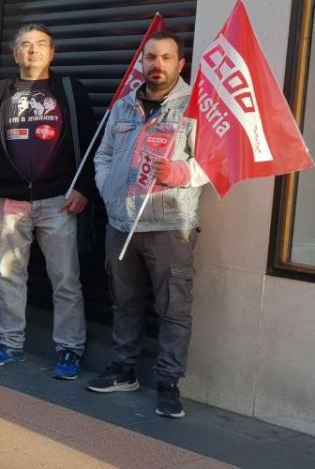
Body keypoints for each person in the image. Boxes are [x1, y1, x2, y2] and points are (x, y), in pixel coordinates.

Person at [88, 31, 206, 419]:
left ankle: (169, 382)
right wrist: (107, 189)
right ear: (142, 62)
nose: (158, 64)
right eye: (151, 57)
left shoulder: (196, 107)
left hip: (170, 225)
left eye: (166, 58)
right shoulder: (124, 105)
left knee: (173, 308)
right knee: (125, 302)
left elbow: (213, 163)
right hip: (122, 223)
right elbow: (103, 153)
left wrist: (178, 171)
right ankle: (124, 370)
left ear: (179, 63)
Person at [0, 23, 95, 380]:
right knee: (9, 276)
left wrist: (83, 188)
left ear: (52, 53)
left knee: (66, 278)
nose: (33, 51)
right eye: (25, 45)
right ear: (15, 54)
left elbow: (90, 145)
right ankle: (10, 344)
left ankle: (70, 349)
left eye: (40, 45)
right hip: (8, 201)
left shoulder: (69, 91)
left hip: (58, 201)